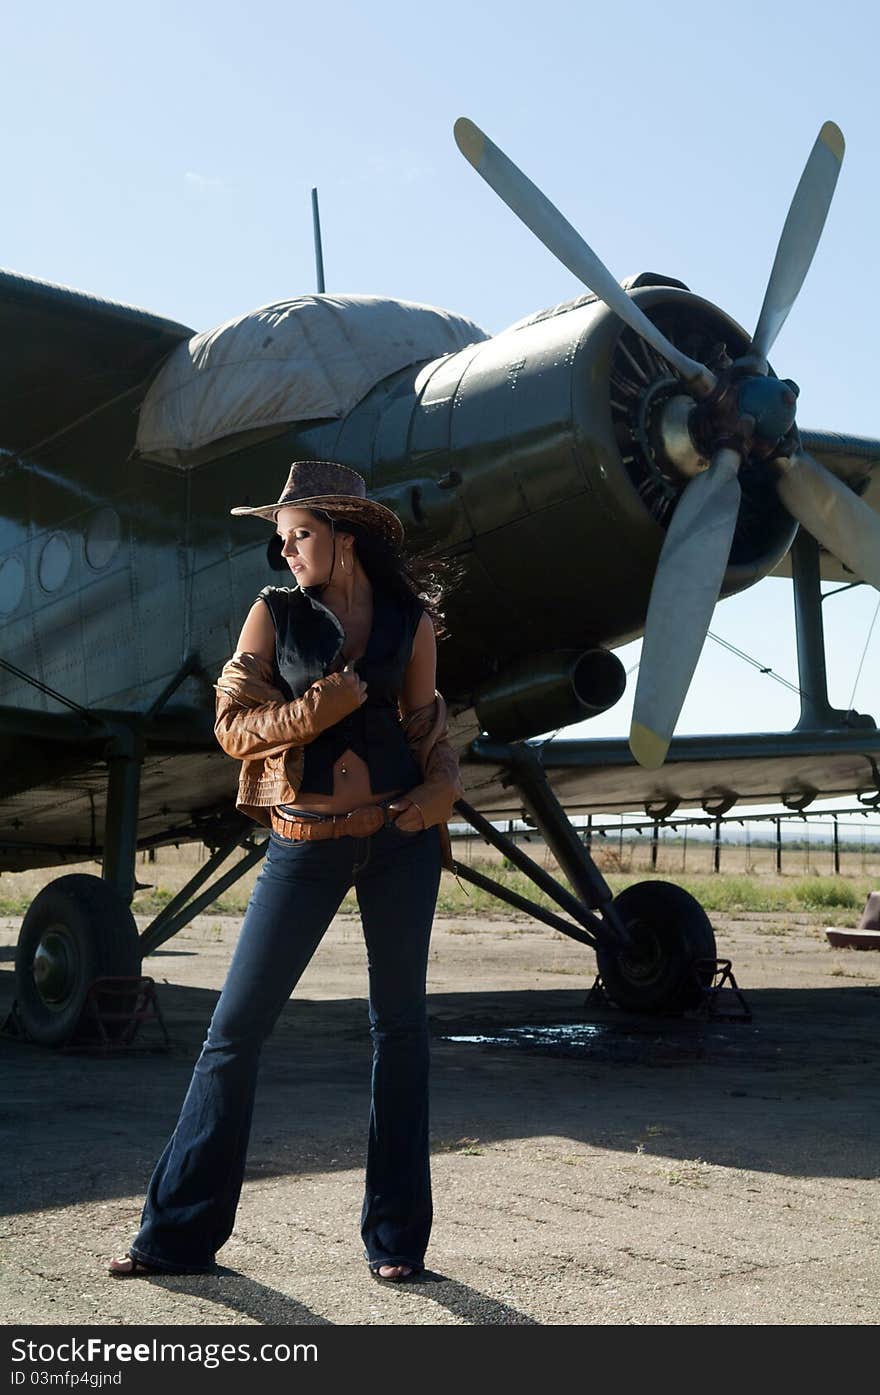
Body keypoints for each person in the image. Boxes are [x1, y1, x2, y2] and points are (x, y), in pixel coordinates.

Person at [108, 460, 462, 1284]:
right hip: (303, 841)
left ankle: (397, 1242)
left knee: (401, 1032)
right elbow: (232, 727)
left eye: (301, 535)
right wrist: (313, 711)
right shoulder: (272, 615)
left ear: (345, 536)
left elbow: (427, 727)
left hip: (401, 840)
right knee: (234, 1031)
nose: (288, 551)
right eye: (282, 538)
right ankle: (177, 1237)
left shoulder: (409, 622)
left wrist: (441, 786)